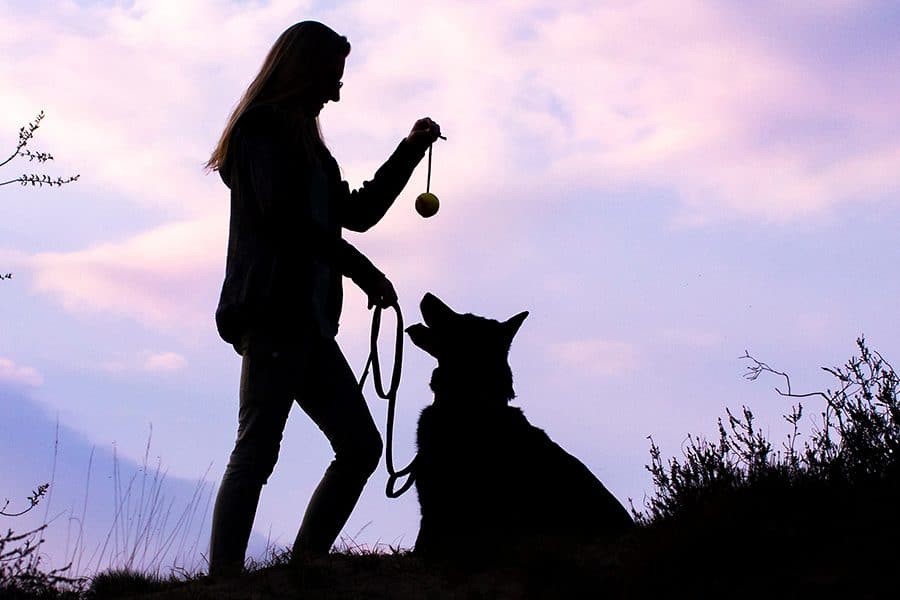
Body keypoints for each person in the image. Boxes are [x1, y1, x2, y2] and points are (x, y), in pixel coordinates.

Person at [204, 20, 441, 576]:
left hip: (307, 323)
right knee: (258, 449)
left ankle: (305, 563)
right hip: (271, 314)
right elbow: (284, 220)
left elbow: (355, 214)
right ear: (303, 71)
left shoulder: (312, 150)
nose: (336, 92)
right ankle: (224, 581)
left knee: (359, 447)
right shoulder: (261, 132)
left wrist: (409, 151)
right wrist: (360, 271)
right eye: (332, 78)